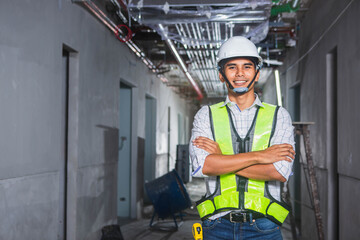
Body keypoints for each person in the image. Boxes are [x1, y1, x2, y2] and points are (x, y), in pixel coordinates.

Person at [189, 36, 295, 240]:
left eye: (247, 66)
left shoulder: (279, 115)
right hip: (216, 226)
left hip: (264, 227)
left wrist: (222, 157)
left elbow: (278, 171)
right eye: (231, 67)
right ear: (221, 75)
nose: (239, 73)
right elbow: (205, 167)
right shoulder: (206, 115)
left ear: (256, 73)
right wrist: (261, 156)